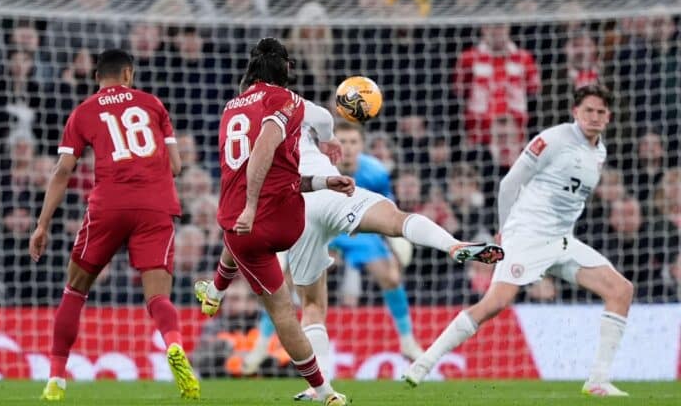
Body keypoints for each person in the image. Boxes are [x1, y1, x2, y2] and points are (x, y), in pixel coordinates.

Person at [223, 103, 503, 401]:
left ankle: (400, 345)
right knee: (287, 282)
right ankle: (263, 344)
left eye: (355, 142)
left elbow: (386, 200)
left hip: (320, 216)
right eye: (344, 141)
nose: (349, 147)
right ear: (330, 142)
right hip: (335, 209)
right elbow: (388, 213)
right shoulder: (313, 146)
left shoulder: (372, 170)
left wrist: (394, 248)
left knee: (386, 276)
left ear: (362, 146)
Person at [404, 84, 634, 397]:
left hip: (561, 241)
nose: (594, 116)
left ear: (608, 118)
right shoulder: (553, 140)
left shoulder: (600, 151)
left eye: (600, 112)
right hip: (527, 234)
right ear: (575, 112)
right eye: (588, 110)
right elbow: (509, 183)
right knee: (494, 304)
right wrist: (504, 229)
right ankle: (424, 363)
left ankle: (597, 381)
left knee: (621, 290)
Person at [28, 49, 198, 401]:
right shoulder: (153, 104)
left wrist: (42, 224)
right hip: (156, 205)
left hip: (108, 205)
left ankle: (56, 380)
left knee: (75, 289)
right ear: (127, 73)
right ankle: (175, 346)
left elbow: (63, 171)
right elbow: (177, 166)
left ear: (96, 78)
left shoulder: (84, 111)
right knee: (158, 297)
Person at [195, 38, 352, 406]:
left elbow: (259, 155)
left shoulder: (231, 107)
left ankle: (325, 392)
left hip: (242, 227)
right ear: (287, 68)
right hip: (285, 218)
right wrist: (324, 176)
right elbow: (271, 149)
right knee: (287, 295)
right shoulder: (288, 100)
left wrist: (248, 206)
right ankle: (214, 293)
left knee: (282, 311)